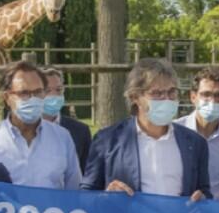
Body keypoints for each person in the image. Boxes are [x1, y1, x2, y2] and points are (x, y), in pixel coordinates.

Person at [81, 57, 210, 200]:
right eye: (157, 93)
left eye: (172, 92)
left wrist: (202, 200)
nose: (166, 99)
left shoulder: (195, 143)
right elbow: (86, 196)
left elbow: (205, 193)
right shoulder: (107, 141)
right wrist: (107, 195)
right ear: (135, 97)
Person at [0, 60, 82, 189]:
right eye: (24, 93)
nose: (32, 99)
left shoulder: (62, 138)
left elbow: (74, 190)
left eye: (38, 92)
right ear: (7, 97)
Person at [175, 67, 219, 195]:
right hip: (179, 205)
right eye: (206, 94)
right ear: (193, 97)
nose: (212, 101)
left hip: (217, 206)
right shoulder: (175, 132)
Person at [41, 66, 92, 169]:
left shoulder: (81, 131)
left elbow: (88, 172)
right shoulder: (23, 130)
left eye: (58, 90)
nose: (54, 95)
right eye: (47, 90)